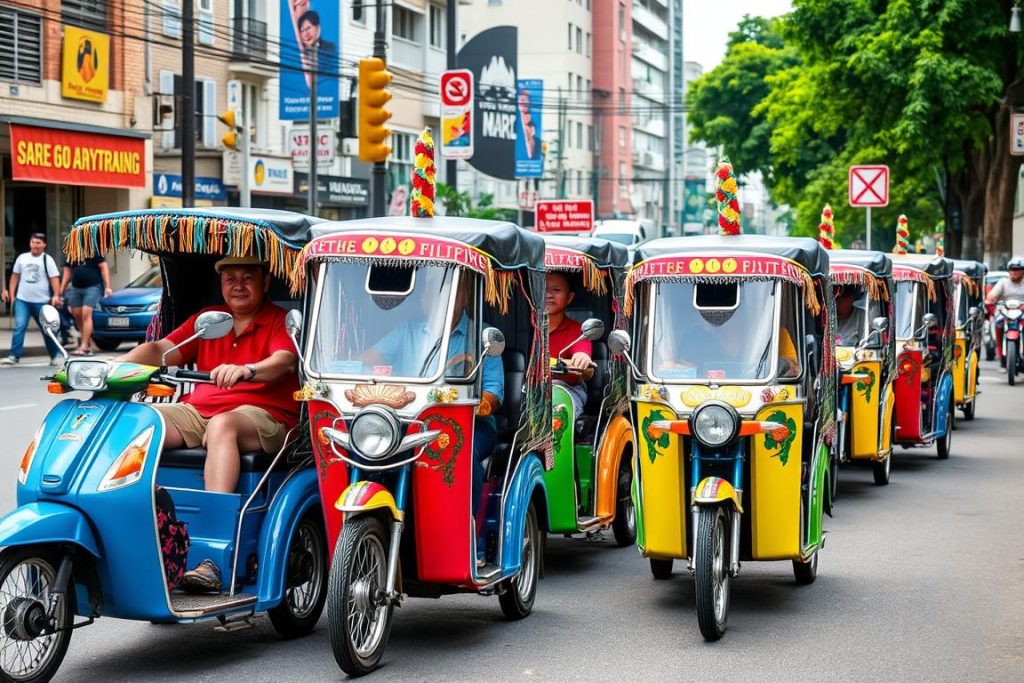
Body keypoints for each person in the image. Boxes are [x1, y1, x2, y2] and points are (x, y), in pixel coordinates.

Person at [120, 256, 300, 593]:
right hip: (199, 412)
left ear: (264, 283)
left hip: (265, 415)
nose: (238, 285)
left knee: (222, 427)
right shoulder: (210, 320)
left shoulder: (279, 321)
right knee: (142, 422)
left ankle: (213, 557)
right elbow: (161, 348)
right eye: (230, 278)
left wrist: (248, 369)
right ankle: (144, 523)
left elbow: (283, 361)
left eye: (248, 277)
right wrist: (112, 366)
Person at [1, 233, 63, 366]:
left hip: (42, 301)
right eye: (33, 242)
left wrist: (56, 295)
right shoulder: (22, 258)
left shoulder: (47, 259)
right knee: (20, 327)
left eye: (38, 243)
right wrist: (12, 294)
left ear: (44, 245)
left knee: (48, 329)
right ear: (30, 243)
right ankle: (13, 356)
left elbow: (54, 279)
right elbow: (15, 276)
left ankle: (55, 355)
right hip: (22, 300)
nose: (35, 245)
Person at [547, 272, 594, 418]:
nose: (548, 294)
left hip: (566, 391)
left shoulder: (577, 331)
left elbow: (586, 366)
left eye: (556, 290)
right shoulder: (528, 329)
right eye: (543, 289)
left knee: (557, 404)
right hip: (531, 392)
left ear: (569, 298)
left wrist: (581, 360)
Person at [60, 254, 112, 356]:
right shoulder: (69, 250)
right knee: (77, 314)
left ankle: (83, 346)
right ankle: (87, 342)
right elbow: (67, 271)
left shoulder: (93, 247)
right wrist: (62, 290)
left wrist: (108, 286)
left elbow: (103, 267)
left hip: (93, 286)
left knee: (86, 314)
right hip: (76, 287)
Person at [985, 257, 1024, 367]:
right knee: (998, 323)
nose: (1014, 272)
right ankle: (1000, 352)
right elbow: (991, 295)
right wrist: (990, 299)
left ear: (1022, 271)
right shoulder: (1003, 282)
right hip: (1005, 311)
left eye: (1017, 269)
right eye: (1012, 269)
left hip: (1022, 312)